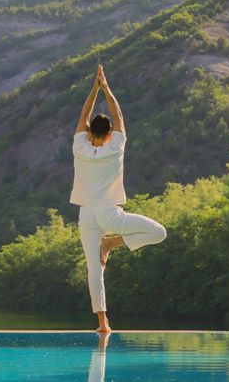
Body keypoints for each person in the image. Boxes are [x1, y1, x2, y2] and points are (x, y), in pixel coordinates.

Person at [71, 64, 167, 332]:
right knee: (159, 233)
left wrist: (93, 89)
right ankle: (112, 242)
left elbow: (83, 114)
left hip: (86, 215)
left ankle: (103, 323)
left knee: (94, 270)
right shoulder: (116, 146)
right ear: (110, 134)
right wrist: (106, 88)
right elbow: (119, 114)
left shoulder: (80, 147)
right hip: (109, 213)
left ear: (89, 132)